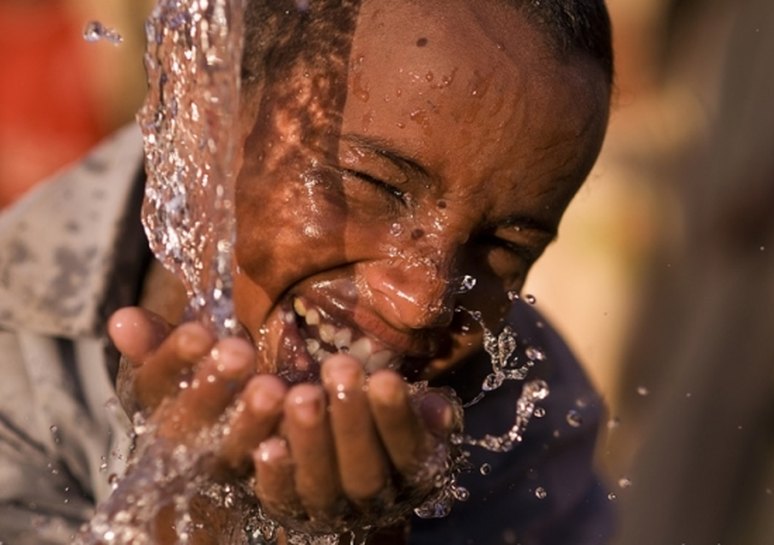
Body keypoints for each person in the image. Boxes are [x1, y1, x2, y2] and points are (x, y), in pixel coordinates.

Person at [0, 1, 614, 543]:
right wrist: (191, 519)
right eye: (373, 185)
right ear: (196, 117)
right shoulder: (14, 347)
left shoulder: (527, 425)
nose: (421, 302)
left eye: (504, 246)